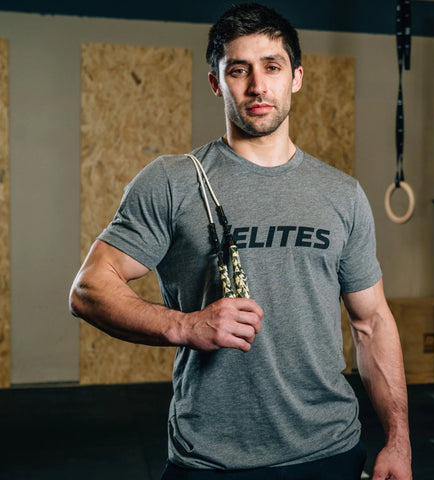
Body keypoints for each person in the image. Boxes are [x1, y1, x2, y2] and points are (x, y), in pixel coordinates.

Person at [69, 3, 412, 479]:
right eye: (238, 70)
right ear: (216, 82)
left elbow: (371, 321)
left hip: (329, 449)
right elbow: (88, 289)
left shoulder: (341, 194)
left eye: (272, 67)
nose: (257, 86)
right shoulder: (174, 181)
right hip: (212, 459)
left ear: (295, 77)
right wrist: (185, 326)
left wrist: (398, 441)